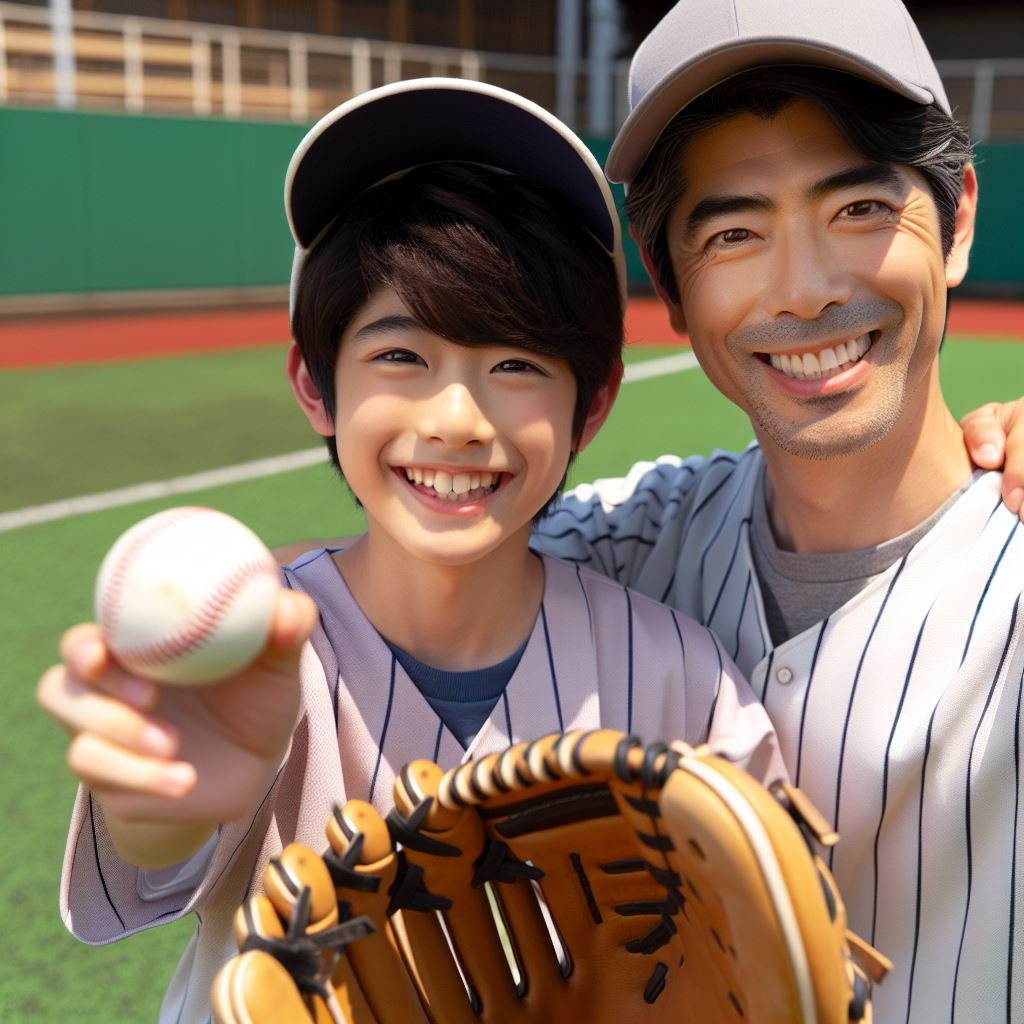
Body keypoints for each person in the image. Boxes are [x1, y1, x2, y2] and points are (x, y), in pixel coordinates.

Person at [36, 79, 783, 1024]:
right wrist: (163, 809)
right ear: (316, 383)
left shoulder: (686, 679)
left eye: (516, 365)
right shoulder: (250, 654)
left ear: (590, 405)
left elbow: (769, 941)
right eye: (401, 356)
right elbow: (154, 853)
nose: (458, 420)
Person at [524, 1, 1024, 1020]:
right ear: (667, 285)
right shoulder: (624, 540)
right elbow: (374, 596)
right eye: (735, 231)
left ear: (958, 217)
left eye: (855, 210)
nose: (801, 290)